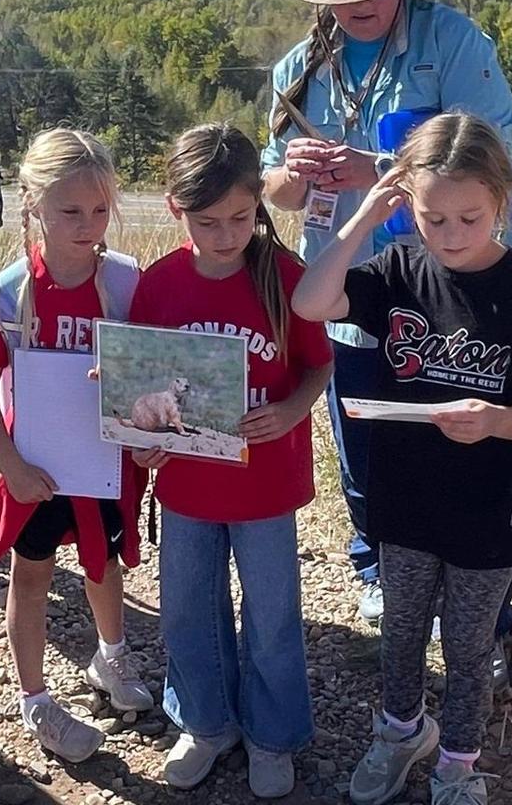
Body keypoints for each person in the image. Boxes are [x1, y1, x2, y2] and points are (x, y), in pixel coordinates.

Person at [259, 0, 512, 626]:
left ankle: (486, 601)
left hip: (467, 289)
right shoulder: (299, 69)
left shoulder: (454, 45)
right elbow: (276, 192)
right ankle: (381, 569)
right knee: (371, 446)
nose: (362, 1)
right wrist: (296, 174)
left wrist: (374, 168)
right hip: (359, 294)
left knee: (479, 444)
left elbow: (496, 156)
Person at [293, 113, 512, 805]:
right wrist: (364, 219)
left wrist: (497, 421)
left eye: (469, 218)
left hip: (488, 510)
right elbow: (310, 300)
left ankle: (458, 763)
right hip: (406, 499)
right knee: (402, 631)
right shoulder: (397, 268)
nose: (449, 236)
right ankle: (400, 734)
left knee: (471, 646)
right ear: (406, 206)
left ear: (501, 204)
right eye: (432, 218)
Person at [128, 124, 334, 798]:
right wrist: (145, 440)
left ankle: (274, 735)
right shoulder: (158, 286)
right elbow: (141, 392)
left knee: (272, 615)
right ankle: (208, 724)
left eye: (241, 219)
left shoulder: (287, 276)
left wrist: (293, 410)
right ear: (174, 210)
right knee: (187, 608)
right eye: (207, 222)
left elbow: (317, 368)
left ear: (258, 206)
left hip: (264, 488)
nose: (225, 235)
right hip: (187, 486)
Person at [0, 129, 152, 763]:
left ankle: (112, 657)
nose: (89, 225)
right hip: (37, 468)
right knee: (33, 572)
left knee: (105, 564)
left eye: (100, 210)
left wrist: (152, 438)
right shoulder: (12, 292)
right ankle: (35, 699)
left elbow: (152, 377)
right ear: (34, 204)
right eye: (71, 210)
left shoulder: (126, 285)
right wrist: (11, 468)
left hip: (104, 463)